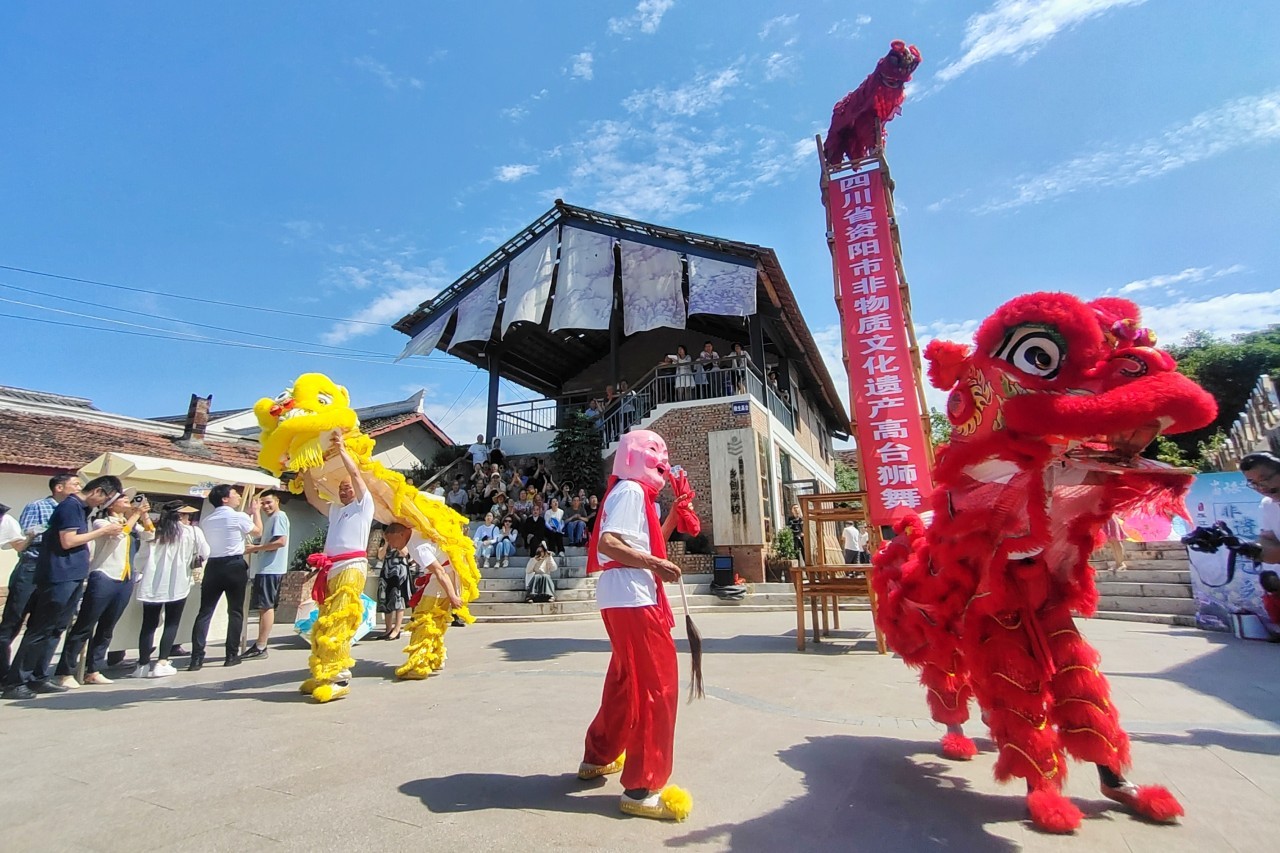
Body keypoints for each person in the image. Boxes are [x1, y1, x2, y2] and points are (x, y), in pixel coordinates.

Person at [578, 430, 693, 822]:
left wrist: (677, 511)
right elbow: (608, 544)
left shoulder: (638, 497)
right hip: (633, 597)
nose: (663, 458)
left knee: (625, 681)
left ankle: (599, 755)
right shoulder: (629, 491)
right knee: (657, 685)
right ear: (632, 456)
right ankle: (643, 788)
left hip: (624, 596)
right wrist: (657, 566)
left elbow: (649, 545)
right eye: (655, 451)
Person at [3, 475, 124, 700]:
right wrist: (102, 532)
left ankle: (37, 676)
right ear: (97, 491)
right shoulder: (70, 506)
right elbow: (68, 540)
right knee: (40, 629)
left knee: (56, 629)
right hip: (59, 575)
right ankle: (16, 680)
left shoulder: (80, 509)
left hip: (73, 575)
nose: (103, 504)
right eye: (105, 498)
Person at [297, 430, 377, 703]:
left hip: (352, 566)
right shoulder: (334, 509)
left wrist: (342, 450)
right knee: (323, 623)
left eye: (348, 487)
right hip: (331, 569)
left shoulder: (364, 506)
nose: (345, 488)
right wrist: (306, 470)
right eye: (341, 487)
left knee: (340, 621)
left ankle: (339, 676)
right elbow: (311, 498)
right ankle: (323, 672)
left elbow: (355, 475)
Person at [54, 492, 155, 687]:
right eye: (123, 499)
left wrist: (144, 515)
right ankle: (64, 670)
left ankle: (94, 669)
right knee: (85, 625)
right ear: (110, 505)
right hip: (103, 576)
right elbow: (118, 534)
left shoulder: (131, 522)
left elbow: (151, 534)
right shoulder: (102, 522)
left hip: (124, 577)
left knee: (107, 628)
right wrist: (134, 516)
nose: (128, 501)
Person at [0, 472, 81, 684]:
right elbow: (27, 536)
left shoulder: (77, 510)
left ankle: (37, 674)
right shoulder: (37, 506)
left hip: (55, 571)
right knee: (14, 621)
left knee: (46, 625)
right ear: (59, 488)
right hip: (32, 566)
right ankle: (2, 672)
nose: (79, 488)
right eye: (75, 484)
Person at [191, 484, 262, 670]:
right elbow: (257, 531)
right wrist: (255, 512)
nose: (238, 496)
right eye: (234, 494)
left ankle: (196, 657)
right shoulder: (239, 517)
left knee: (205, 611)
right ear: (225, 498)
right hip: (234, 565)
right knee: (235, 611)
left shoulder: (207, 520)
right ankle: (231, 654)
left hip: (213, 565)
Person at [133, 502, 208, 678]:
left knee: (148, 624)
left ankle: (142, 664)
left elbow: (140, 560)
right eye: (186, 515)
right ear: (179, 516)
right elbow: (205, 552)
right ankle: (162, 661)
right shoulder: (192, 532)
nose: (188, 519)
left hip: (152, 582)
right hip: (178, 582)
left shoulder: (153, 532)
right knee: (172, 622)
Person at [392, 521, 465, 679]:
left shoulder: (419, 548)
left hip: (442, 578)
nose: (392, 546)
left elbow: (440, 572)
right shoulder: (415, 533)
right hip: (443, 575)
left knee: (423, 618)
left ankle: (418, 664)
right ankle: (435, 658)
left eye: (392, 541)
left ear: (401, 534)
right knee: (436, 619)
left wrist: (453, 596)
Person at [243, 491, 290, 659]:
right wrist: (255, 512)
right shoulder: (271, 519)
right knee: (264, 607)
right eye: (263, 503)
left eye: (269, 502)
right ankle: (260, 644)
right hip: (266, 568)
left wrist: (255, 549)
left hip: (271, 569)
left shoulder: (279, 517)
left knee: (266, 607)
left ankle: (261, 645)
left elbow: (280, 542)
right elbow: (262, 535)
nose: (266, 506)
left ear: (277, 501)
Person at [376, 530, 413, 641]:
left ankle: (397, 629)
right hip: (387, 572)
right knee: (386, 599)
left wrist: (396, 543)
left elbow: (405, 553)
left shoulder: (402, 543)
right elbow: (380, 556)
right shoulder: (384, 544)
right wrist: (387, 543)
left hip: (399, 573)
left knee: (398, 599)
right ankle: (388, 629)